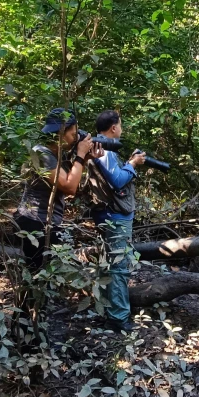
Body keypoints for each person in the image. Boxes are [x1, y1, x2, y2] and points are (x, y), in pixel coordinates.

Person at [13, 108, 101, 270]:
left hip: (44, 221)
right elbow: (69, 187)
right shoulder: (42, 154)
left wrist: (86, 158)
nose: (75, 139)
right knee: (39, 273)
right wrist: (80, 156)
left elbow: (73, 183)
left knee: (45, 273)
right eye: (73, 135)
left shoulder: (56, 154)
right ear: (59, 133)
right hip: (36, 222)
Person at [87, 110, 146, 332]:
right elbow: (118, 180)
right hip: (115, 217)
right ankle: (119, 318)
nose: (121, 129)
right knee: (119, 267)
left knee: (106, 265)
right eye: (120, 125)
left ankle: (106, 311)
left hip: (106, 214)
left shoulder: (99, 147)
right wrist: (133, 164)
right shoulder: (105, 150)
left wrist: (130, 161)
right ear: (113, 127)